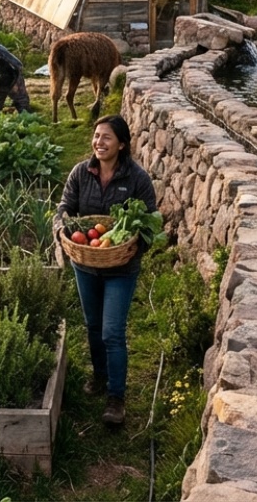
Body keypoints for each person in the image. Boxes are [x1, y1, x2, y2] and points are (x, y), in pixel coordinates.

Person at [55, 114, 158, 427]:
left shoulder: (137, 179)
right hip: (85, 262)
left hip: (121, 268)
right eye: (96, 136)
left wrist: (131, 244)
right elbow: (64, 208)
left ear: (122, 144)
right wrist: (61, 226)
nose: (99, 142)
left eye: (106, 137)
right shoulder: (80, 173)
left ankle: (116, 398)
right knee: (93, 326)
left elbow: (151, 223)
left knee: (112, 331)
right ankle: (100, 377)